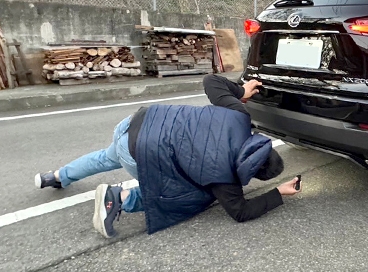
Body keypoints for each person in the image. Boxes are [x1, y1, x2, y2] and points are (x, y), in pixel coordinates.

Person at [35, 74, 300, 238]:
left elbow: (210, 81)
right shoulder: (225, 180)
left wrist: (241, 91)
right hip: (141, 154)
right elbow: (240, 212)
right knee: (195, 193)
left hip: (135, 124)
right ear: (253, 174)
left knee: (106, 156)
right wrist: (279, 193)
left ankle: (56, 177)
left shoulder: (239, 116)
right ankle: (119, 198)